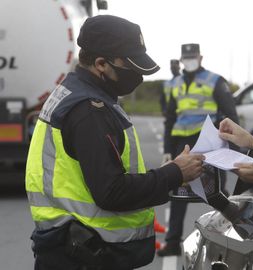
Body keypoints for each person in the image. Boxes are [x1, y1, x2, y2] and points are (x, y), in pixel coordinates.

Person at [24, 15, 205, 270]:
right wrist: (175, 172)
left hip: (73, 249)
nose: (137, 77)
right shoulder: (89, 110)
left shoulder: (76, 93)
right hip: (82, 257)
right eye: (130, 67)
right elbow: (112, 192)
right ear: (101, 64)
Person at [158, 43, 239, 256]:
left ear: (201, 57)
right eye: (187, 57)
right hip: (181, 144)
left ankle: (230, 240)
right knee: (178, 194)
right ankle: (172, 243)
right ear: (182, 59)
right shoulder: (173, 84)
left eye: (193, 57)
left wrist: (231, 148)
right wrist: (167, 149)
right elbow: (170, 118)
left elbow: (230, 115)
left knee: (217, 193)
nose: (190, 60)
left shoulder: (215, 81)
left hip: (208, 143)